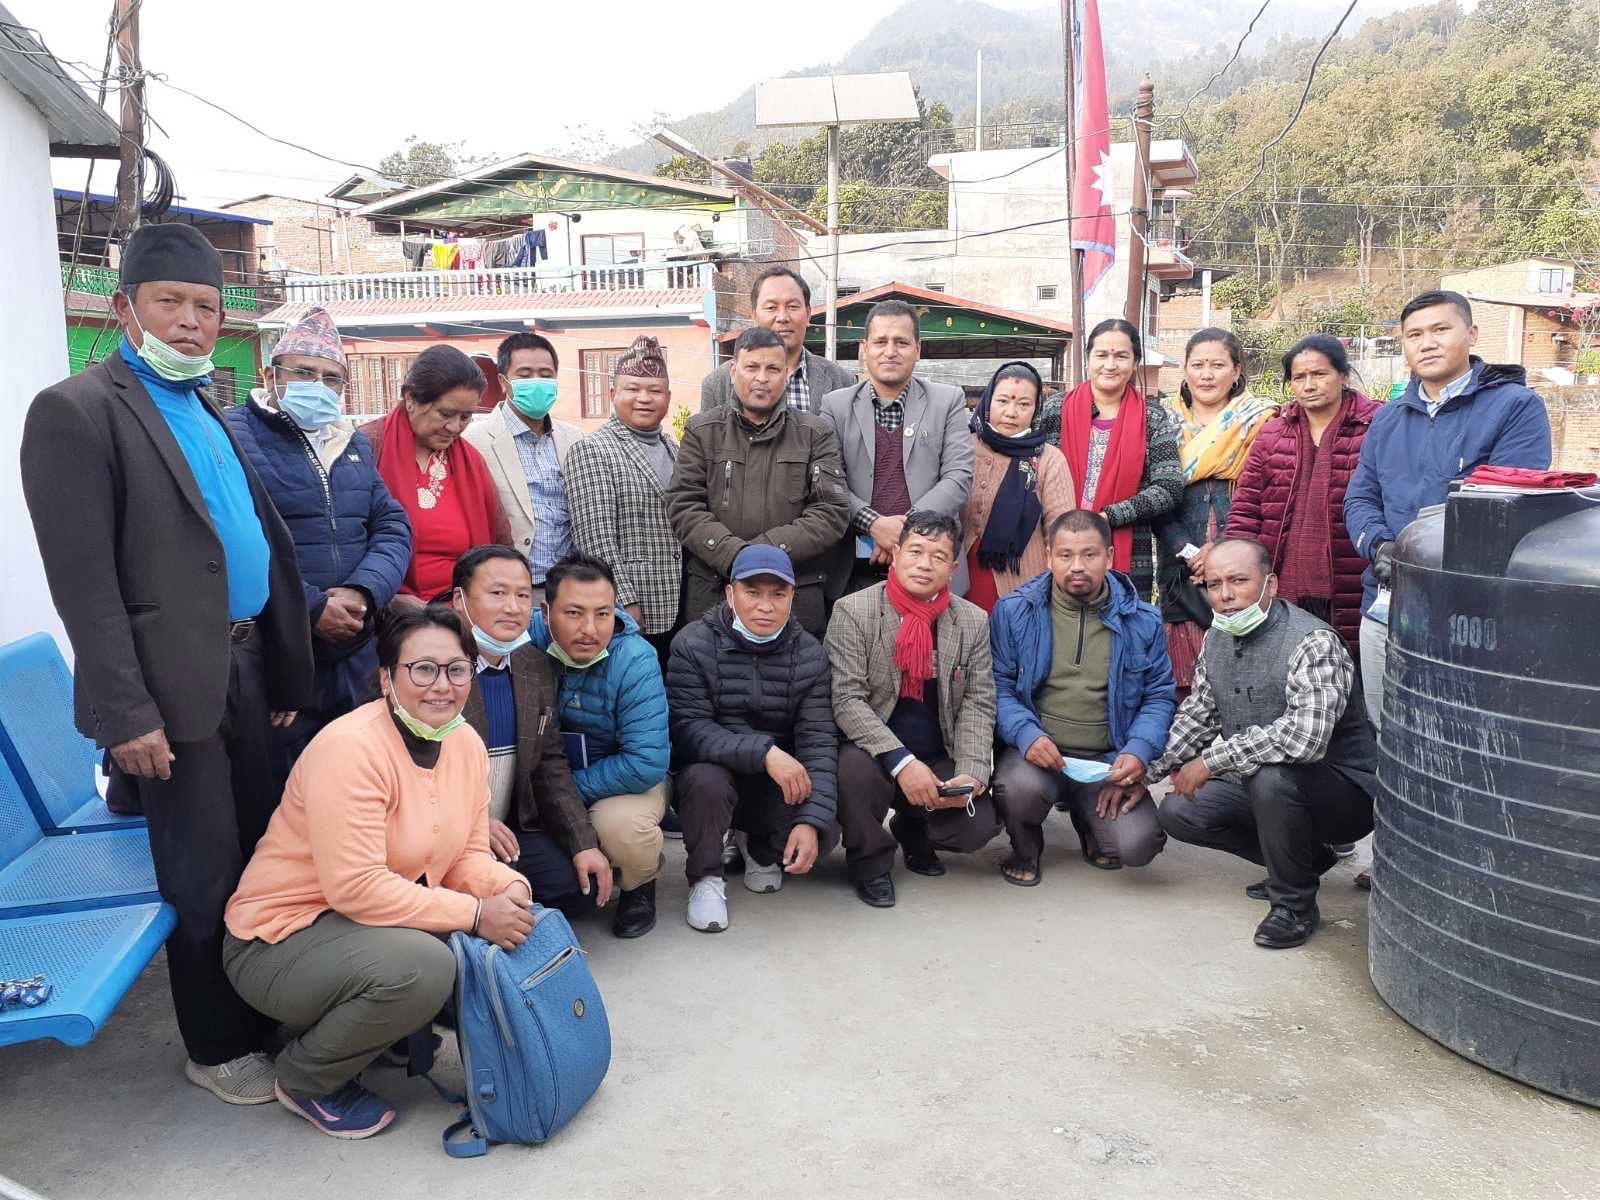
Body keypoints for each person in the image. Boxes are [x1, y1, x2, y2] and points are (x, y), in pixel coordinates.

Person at [20, 222, 314, 1104]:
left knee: (262, 850)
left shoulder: (204, 402)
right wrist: (126, 713)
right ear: (126, 308)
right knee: (201, 871)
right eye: (170, 303)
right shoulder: (77, 411)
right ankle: (217, 1045)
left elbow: (247, 540)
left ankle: (264, 1010)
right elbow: (84, 586)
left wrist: (282, 666)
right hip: (169, 689)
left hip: (244, 665)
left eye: (206, 307)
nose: (190, 322)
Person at [223, 606, 535, 1138]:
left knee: (511, 920)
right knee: (425, 966)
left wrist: (509, 891)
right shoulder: (350, 749)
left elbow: (464, 857)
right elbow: (357, 887)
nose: (442, 685)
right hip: (279, 939)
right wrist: (477, 913)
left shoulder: (464, 743)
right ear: (387, 678)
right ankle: (305, 1078)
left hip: (361, 930)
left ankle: (378, 1028)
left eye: (457, 669)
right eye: (423, 669)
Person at [1153, 539, 1377, 949]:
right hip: (1269, 784)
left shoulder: (1312, 641)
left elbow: (1304, 740)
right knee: (1180, 810)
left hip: (1344, 794)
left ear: (1270, 585)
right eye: (1215, 584)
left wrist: (1211, 761)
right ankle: (1305, 861)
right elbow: (1198, 716)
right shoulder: (1216, 638)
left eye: (1239, 581)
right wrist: (1142, 769)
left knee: (1269, 776)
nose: (1225, 595)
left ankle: (1294, 906)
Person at [1345, 290, 1552, 731]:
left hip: (1468, 612)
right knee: (1388, 733)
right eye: (1415, 334)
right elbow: (1360, 498)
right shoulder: (1388, 419)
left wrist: (1418, 556)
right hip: (1385, 606)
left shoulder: (1514, 408)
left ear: (1471, 334)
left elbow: (1504, 504)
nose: (1428, 343)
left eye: (1441, 329)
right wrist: (1380, 547)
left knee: (1459, 739)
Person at [226, 306, 412, 780]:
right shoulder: (232, 437)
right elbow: (237, 540)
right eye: (304, 373)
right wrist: (310, 606)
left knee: (358, 782)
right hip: (280, 653)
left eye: (332, 378)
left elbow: (392, 525)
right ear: (271, 374)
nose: (319, 386)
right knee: (289, 791)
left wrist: (363, 592)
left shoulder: (350, 443)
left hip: (354, 651)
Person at [989, 510, 1175, 884]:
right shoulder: (1014, 611)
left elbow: (1158, 696)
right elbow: (998, 686)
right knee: (1017, 789)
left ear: (1109, 556)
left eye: (1089, 555)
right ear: (1048, 556)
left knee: (1138, 845)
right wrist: (1027, 735)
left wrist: (1138, 750)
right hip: (1039, 757)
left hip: (1106, 761)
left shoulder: (1143, 620)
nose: (1077, 566)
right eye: (1066, 555)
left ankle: (1087, 820)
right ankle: (1025, 848)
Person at [827, 511, 998, 907]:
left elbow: (978, 700)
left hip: (937, 751)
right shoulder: (854, 611)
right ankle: (869, 863)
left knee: (977, 827)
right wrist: (902, 763)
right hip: (875, 753)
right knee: (851, 773)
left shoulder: (972, 621)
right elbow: (846, 700)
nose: (925, 564)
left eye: (939, 557)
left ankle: (913, 827)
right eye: (916, 551)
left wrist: (973, 771)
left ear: (953, 569)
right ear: (896, 552)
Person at [666, 545, 839, 933]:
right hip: (718, 773)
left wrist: (811, 822)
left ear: (793, 597)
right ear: (730, 594)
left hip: (777, 782)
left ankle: (757, 845)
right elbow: (689, 730)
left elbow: (818, 740)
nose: (765, 606)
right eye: (752, 592)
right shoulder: (692, 644)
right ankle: (706, 877)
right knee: (704, 780)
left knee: (823, 822)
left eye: (778, 594)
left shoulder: (810, 654)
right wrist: (764, 752)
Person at [449, 547, 614, 924]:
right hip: (447, 831)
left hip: (510, 828)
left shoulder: (535, 666)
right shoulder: (433, 668)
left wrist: (583, 843)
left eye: (522, 594)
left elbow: (550, 763)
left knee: (580, 889)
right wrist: (470, 822)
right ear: (459, 599)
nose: (512, 607)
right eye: (497, 593)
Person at [668, 327, 850, 636]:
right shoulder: (702, 431)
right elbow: (683, 506)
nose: (761, 378)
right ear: (733, 371)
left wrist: (765, 554)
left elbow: (831, 512)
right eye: (752, 367)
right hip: (714, 592)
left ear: (786, 375)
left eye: (772, 369)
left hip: (794, 595)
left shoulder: (815, 433)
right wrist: (733, 555)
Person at [528, 554, 671, 938]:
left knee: (621, 827)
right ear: (546, 612)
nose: (589, 629)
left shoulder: (635, 659)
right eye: (574, 613)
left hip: (619, 781)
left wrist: (562, 793)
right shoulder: (523, 643)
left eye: (603, 614)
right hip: (540, 777)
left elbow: (645, 762)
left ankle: (638, 884)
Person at [1224, 334, 1379, 658]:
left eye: (1320, 374)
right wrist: (1236, 567)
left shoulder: (1374, 426)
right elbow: (1246, 508)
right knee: (1287, 666)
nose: (1309, 385)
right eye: (1299, 377)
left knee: (1350, 670)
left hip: (1352, 580)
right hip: (1284, 581)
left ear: (1343, 375)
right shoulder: (1273, 433)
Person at [819, 299, 975, 596]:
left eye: (901, 342)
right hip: (853, 572)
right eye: (881, 342)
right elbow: (828, 483)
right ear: (865, 349)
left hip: (931, 570)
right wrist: (874, 524)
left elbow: (958, 478)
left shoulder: (947, 401)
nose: (890, 351)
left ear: (918, 349)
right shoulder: (835, 406)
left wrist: (906, 532)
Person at [1153, 329, 1276, 696]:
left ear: (1236, 371)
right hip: (1181, 570)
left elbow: (1265, 495)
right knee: (1183, 684)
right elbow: (1154, 495)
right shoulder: (1161, 421)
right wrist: (1190, 552)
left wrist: (1220, 550)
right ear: (1185, 370)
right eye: (1198, 365)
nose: (1206, 375)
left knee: (1244, 680)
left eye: (1218, 365)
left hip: (1242, 561)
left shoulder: (1261, 421)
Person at [564, 335, 683, 668]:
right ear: (613, 394)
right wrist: (624, 602)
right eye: (632, 389)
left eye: (655, 390)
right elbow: (594, 540)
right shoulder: (592, 450)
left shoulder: (676, 450)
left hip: (679, 604)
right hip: (634, 608)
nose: (644, 398)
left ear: (668, 397)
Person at [361, 346, 510, 604]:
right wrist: (386, 600)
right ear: (411, 399)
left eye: (466, 417)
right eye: (446, 414)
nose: (454, 427)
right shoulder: (366, 448)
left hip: (464, 608)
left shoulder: (471, 461)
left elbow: (500, 544)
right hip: (386, 605)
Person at [1048, 318, 1183, 600]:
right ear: (1088, 358)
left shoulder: (1153, 418)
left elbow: (1168, 488)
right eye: (1102, 355)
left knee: (1121, 623)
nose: (1110, 365)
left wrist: (1107, 517)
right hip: (1058, 546)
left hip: (1128, 552)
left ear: (1135, 362)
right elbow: (1037, 473)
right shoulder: (1055, 410)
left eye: (1121, 356)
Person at [463, 332, 581, 605]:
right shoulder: (473, 441)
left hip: (568, 590)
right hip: (508, 593)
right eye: (525, 375)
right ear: (503, 382)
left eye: (545, 374)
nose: (536, 382)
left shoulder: (575, 439)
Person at [959, 360, 1076, 612]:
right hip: (958, 580)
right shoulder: (961, 447)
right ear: (988, 402)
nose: (1011, 412)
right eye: (1003, 401)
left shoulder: (1049, 459)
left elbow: (1061, 532)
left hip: (1024, 588)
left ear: (1035, 409)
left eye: (1024, 404)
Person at [701, 266, 855, 414]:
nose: (782, 317)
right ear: (754, 316)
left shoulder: (842, 382)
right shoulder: (717, 384)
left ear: (808, 314)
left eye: (792, 306)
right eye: (771, 307)